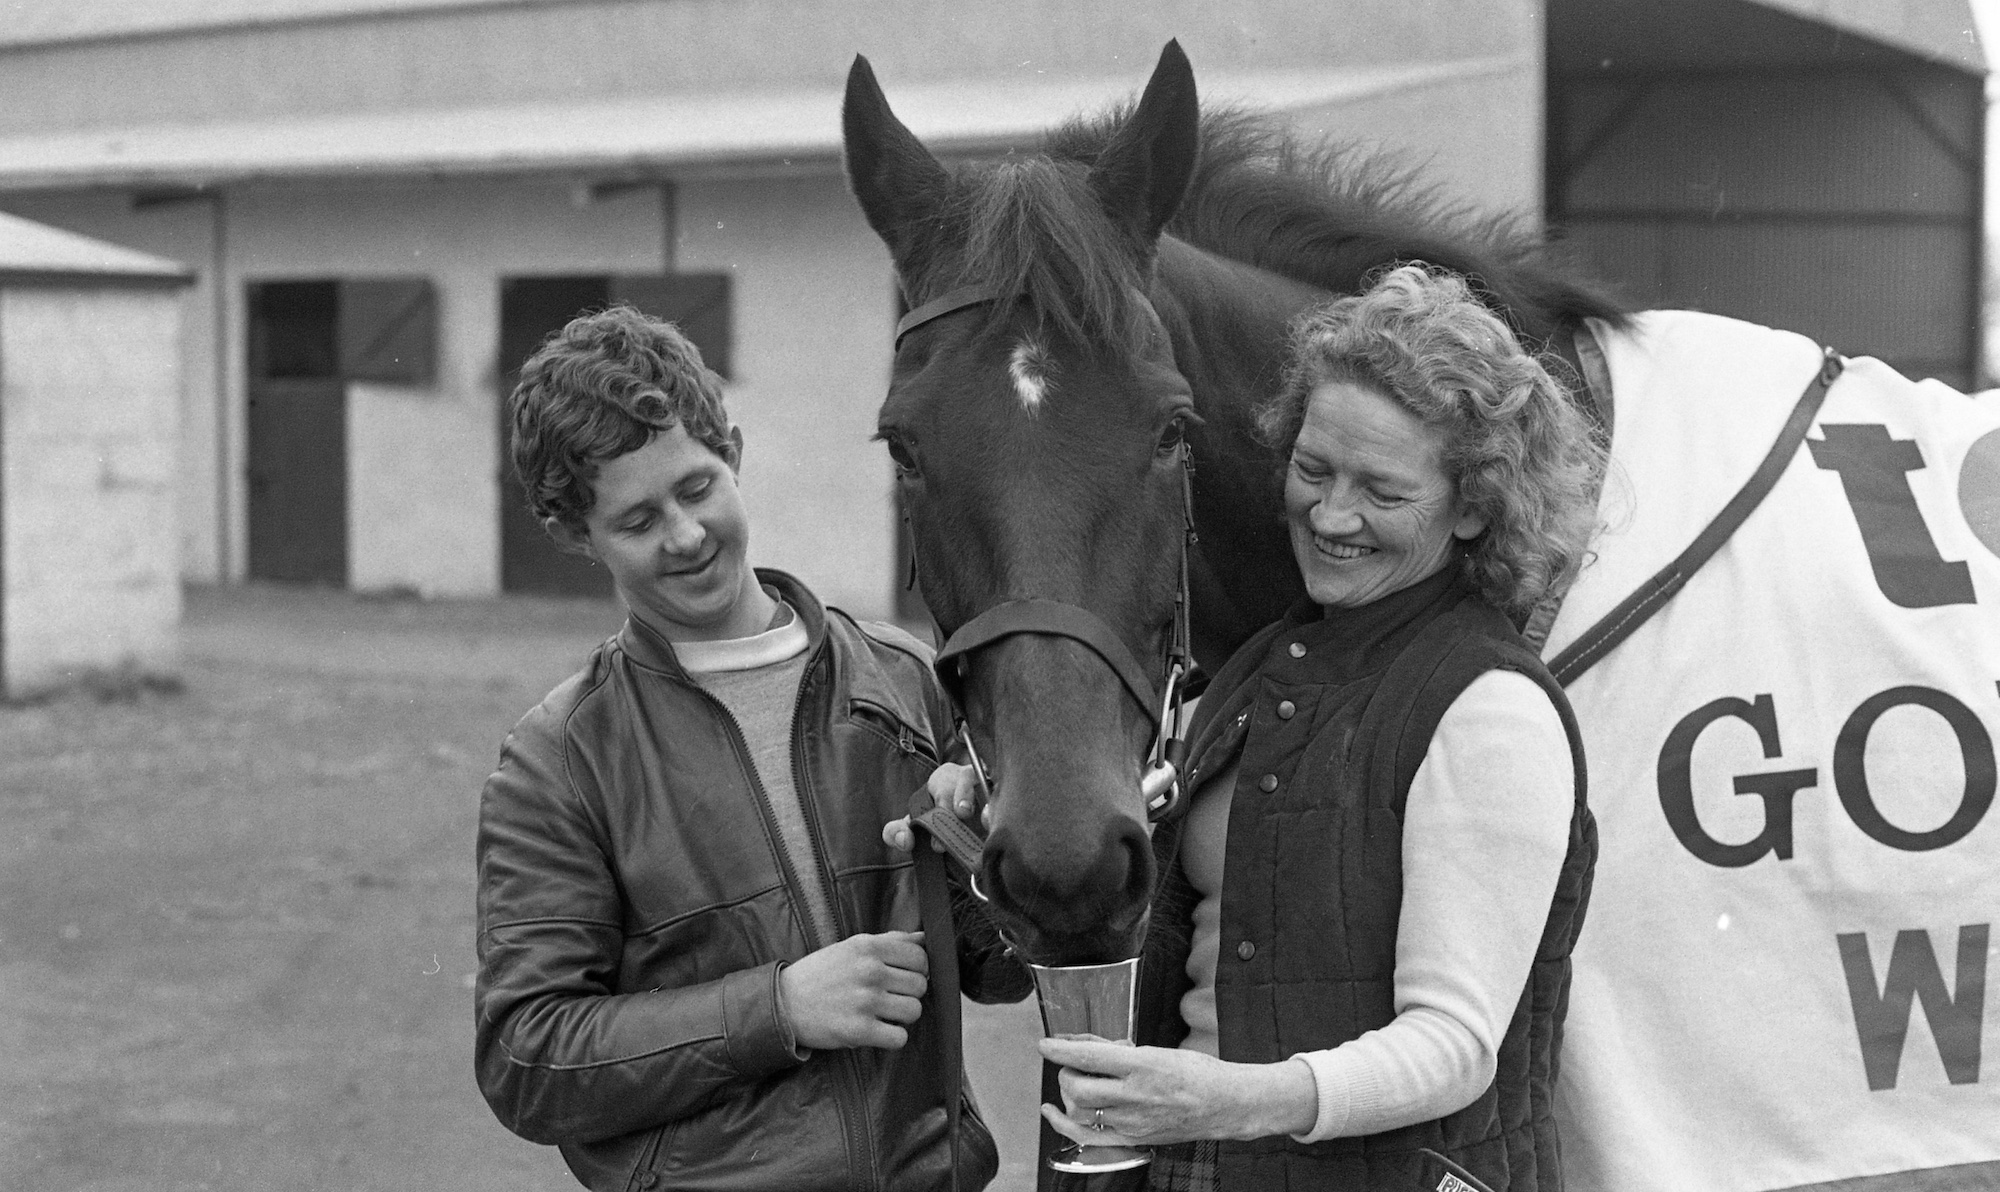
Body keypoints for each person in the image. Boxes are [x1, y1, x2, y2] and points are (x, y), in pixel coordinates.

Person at [1036, 264, 1603, 1191]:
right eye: (1313, 468)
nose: (1333, 516)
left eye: (1383, 491)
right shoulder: (1259, 670)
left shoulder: (1490, 709)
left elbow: (1456, 1047)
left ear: (1473, 508)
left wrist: (1228, 1100)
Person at [473, 306, 1028, 1192]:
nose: (686, 536)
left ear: (730, 452)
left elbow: (1001, 972)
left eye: (695, 490)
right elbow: (529, 1058)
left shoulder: (902, 677)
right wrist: (779, 1010)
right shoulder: (560, 760)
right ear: (578, 538)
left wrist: (991, 845)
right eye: (638, 520)